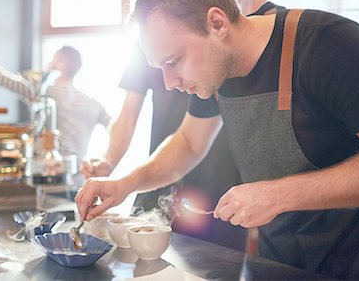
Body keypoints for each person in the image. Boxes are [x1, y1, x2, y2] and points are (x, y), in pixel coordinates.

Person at [75, 0, 359, 279]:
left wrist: (278, 195)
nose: (169, 82)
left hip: (357, 261)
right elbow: (189, 143)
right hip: (275, 264)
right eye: (160, 68)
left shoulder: (328, 43)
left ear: (217, 23)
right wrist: (126, 183)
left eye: (174, 61)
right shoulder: (218, 69)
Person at [81, 44, 247, 250]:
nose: (171, 82)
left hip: (220, 179)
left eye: (174, 61)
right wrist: (109, 161)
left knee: (219, 264)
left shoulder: (219, 44)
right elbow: (127, 117)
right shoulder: (146, 45)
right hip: (159, 173)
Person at [0, 38, 111, 187]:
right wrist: (105, 159)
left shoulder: (44, 91)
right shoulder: (92, 104)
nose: (48, 65)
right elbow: (115, 126)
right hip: (80, 182)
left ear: (62, 65)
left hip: (50, 179)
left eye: (53, 60)